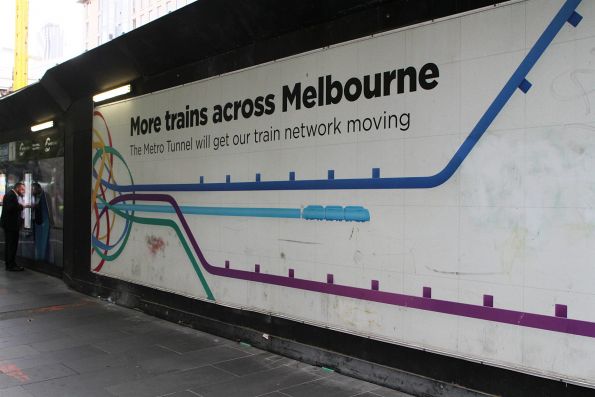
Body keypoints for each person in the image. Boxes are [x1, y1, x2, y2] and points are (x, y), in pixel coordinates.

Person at [1, 182, 30, 271]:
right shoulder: (11, 195)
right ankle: (11, 265)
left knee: (10, 245)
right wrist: (22, 206)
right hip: (11, 225)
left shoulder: (11, 194)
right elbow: (11, 208)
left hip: (10, 225)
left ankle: (10, 264)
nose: (23, 191)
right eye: (22, 189)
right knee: (11, 245)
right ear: (17, 188)